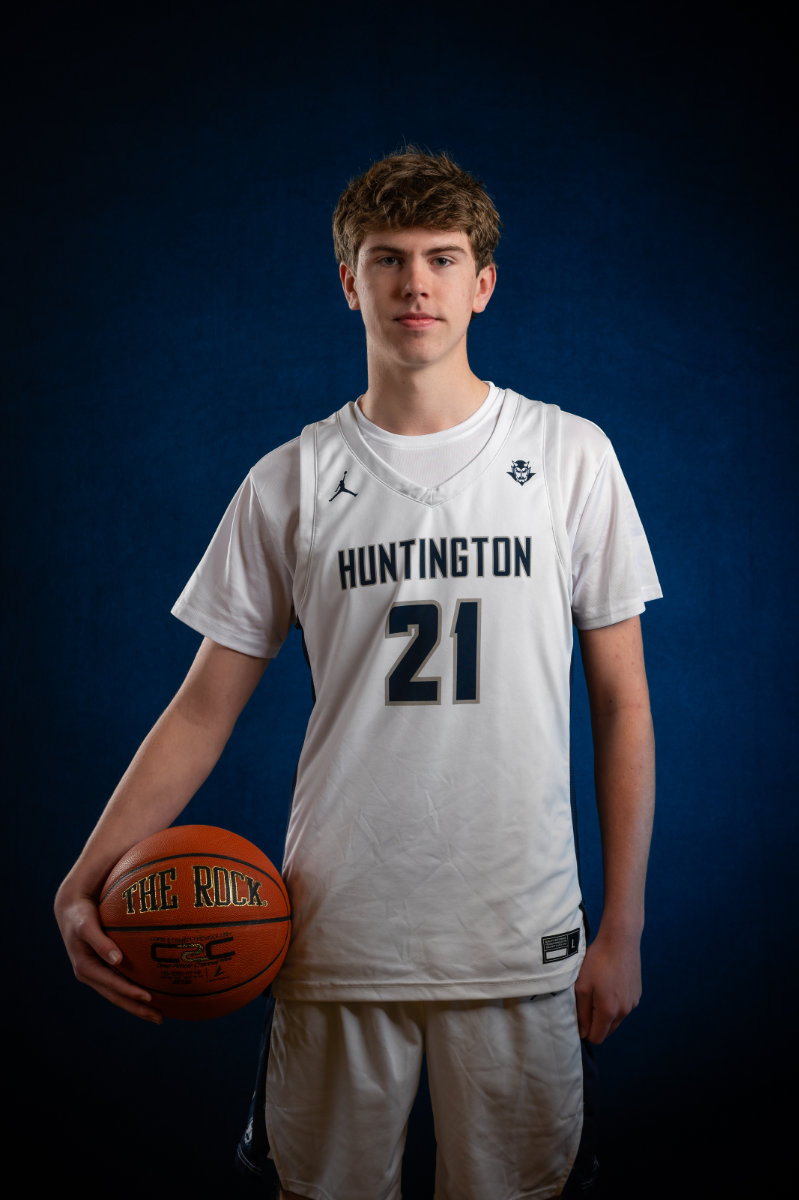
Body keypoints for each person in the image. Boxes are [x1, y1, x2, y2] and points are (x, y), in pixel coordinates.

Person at [55, 149, 661, 1200]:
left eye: (442, 258)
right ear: (349, 280)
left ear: (483, 283)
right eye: (387, 258)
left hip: (519, 937)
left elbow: (622, 703)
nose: (415, 283)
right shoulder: (290, 479)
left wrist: (624, 926)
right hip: (335, 935)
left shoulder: (570, 457)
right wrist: (82, 876)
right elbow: (201, 711)